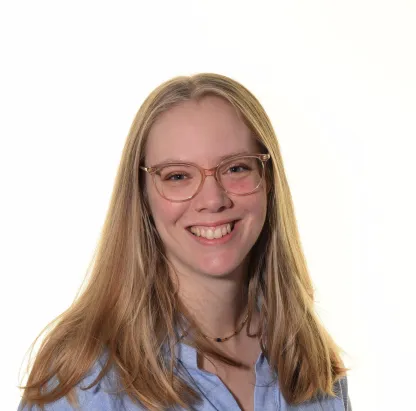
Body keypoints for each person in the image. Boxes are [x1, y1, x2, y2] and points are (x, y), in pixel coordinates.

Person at [18, 73, 352, 411]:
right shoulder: (84, 379)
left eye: (236, 168)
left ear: (268, 179)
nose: (213, 200)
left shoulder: (311, 361)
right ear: (142, 195)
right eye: (178, 176)